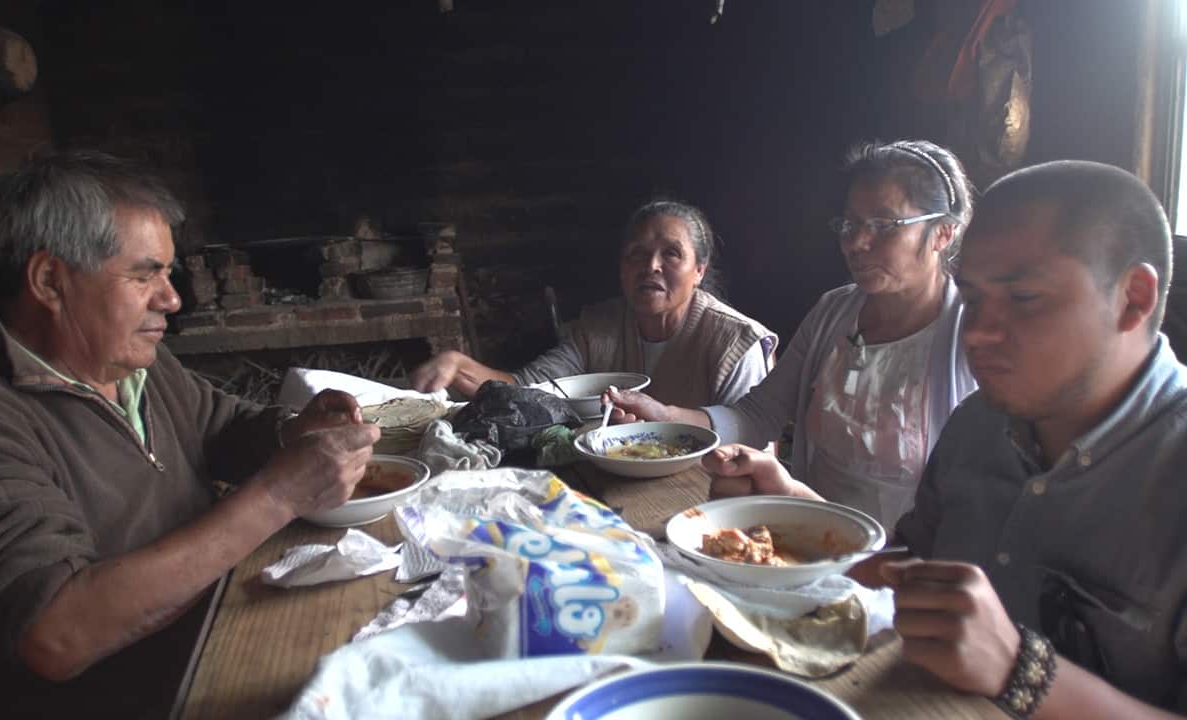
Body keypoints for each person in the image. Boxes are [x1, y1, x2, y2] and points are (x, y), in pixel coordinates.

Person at [0, 151, 381, 718]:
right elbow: (56, 634)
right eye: (143, 274)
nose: (172, 299)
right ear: (49, 281)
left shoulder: (124, 362)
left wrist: (296, 432)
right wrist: (279, 495)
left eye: (167, 273)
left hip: (213, 629)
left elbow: (221, 426)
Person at [714, 160, 1187, 717]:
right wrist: (785, 508)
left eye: (1024, 298)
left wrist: (1021, 672)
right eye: (974, 297)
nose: (981, 331)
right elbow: (908, 567)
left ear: (1133, 298)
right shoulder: (977, 425)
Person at [608, 140, 978, 528]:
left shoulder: (967, 336)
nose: (856, 242)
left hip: (909, 568)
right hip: (808, 537)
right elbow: (757, 415)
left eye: (883, 225)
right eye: (850, 225)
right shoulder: (833, 313)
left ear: (943, 233)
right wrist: (664, 417)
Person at [410, 200, 778, 408]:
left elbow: (755, 449)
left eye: (670, 254)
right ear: (622, 268)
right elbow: (527, 388)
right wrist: (458, 366)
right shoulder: (600, 327)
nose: (651, 266)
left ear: (699, 270)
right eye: (637, 254)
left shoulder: (735, 343)